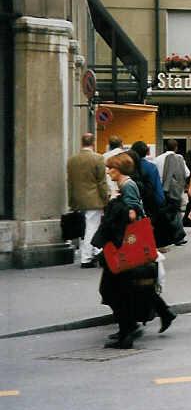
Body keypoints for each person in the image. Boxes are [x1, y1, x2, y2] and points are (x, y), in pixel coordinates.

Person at [92, 153, 175, 348]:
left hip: (125, 247)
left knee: (119, 289)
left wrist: (113, 202)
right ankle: (136, 325)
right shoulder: (125, 185)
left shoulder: (127, 186)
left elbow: (131, 214)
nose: (108, 171)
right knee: (130, 288)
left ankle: (128, 331)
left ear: (119, 169)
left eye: (111, 168)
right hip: (126, 246)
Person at [66, 133, 109, 268]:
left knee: (85, 228)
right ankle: (86, 258)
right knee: (92, 227)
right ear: (93, 143)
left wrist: (71, 201)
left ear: (81, 143)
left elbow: (70, 182)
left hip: (78, 198)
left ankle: (97, 252)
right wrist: (105, 199)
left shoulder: (72, 160)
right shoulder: (98, 159)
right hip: (93, 199)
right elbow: (102, 182)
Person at [156, 139, 190, 234]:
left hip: (160, 188)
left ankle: (165, 232)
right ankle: (177, 234)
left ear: (165, 147)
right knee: (175, 212)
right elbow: (187, 173)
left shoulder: (157, 159)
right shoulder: (179, 158)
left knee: (164, 212)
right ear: (176, 148)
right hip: (174, 190)